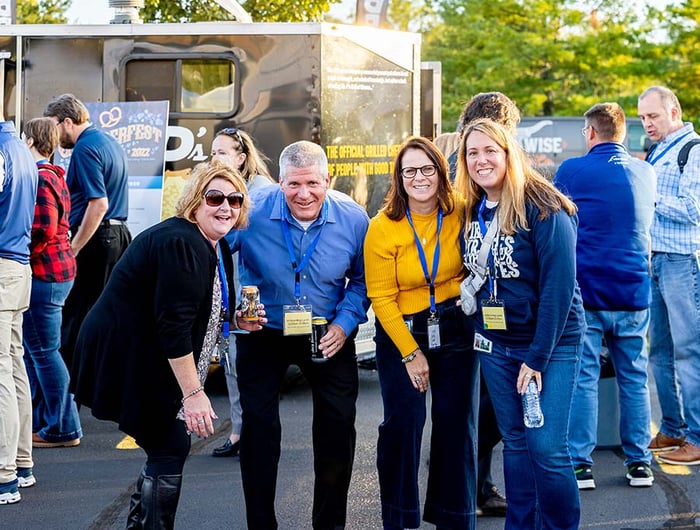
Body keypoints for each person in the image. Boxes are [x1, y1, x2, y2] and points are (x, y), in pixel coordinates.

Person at [70, 160, 264, 528]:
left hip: (145, 353)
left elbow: (192, 308)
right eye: (215, 197)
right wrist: (193, 395)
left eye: (235, 200)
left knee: (168, 444)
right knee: (169, 444)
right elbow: (173, 325)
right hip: (126, 354)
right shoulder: (183, 243)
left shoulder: (207, 242)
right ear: (194, 202)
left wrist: (235, 320)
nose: (226, 207)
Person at [226, 140, 370, 529]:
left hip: (327, 331)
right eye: (293, 185)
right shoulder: (249, 213)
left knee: (337, 429)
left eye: (312, 183)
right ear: (279, 181)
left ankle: (329, 525)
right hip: (264, 330)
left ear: (327, 179)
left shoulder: (354, 219)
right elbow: (216, 257)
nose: (303, 194)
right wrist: (232, 311)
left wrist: (344, 324)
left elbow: (361, 282)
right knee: (258, 429)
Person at [455, 118, 585, 529]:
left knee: (546, 448)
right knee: (514, 444)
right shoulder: (471, 209)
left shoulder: (544, 207)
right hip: (496, 345)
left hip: (550, 345)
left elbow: (559, 290)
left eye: (490, 150)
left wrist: (537, 357)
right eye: (472, 153)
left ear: (509, 153)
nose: (481, 160)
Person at [364, 136, 479, 529]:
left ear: (441, 173)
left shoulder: (462, 212)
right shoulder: (382, 228)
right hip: (401, 330)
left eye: (427, 168)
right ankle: (399, 519)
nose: (419, 177)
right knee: (404, 424)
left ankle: (455, 518)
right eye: (409, 170)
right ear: (399, 177)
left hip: (456, 326)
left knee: (456, 425)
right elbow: (380, 298)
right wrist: (412, 354)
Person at [554, 102, 656, 488]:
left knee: (583, 377)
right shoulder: (646, 171)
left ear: (591, 133)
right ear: (622, 133)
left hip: (589, 291)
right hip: (633, 291)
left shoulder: (572, 170)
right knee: (634, 378)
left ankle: (581, 465)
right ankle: (639, 463)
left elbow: (559, 222)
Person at [453, 91, 522, 517]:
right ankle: (473, 489)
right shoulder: (470, 175)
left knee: (477, 407)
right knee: (484, 408)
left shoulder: (460, 161)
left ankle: (473, 486)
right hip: (471, 309)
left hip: (468, 306)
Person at [43, 93, 131, 373]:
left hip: (98, 239)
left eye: (53, 125)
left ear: (67, 122)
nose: (52, 134)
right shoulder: (107, 142)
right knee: (98, 316)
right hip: (116, 236)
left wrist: (76, 246)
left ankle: (69, 401)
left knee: (75, 319)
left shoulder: (84, 148)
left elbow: (99, 203)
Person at [638, 86, 700, 465]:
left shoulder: (692, 150)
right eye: (643, 118)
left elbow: (694, 210)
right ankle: (673, 428)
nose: (647, 124)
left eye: (653, 116)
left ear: (673, 111)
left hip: (681, 263)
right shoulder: (659, 150)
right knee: (658, 351)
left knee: (689, 351)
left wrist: (649, 192)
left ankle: (696, 436)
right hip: (656, 261)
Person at [209, 127, 274, 458]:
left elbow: (236, 239)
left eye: (222, 152)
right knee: (234, 365)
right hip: (233, 291)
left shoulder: (259, 192)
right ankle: (239, 431)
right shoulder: (225, 188)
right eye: (213, 152)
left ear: (241, 157)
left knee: (247, 366)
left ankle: (248, 433)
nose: (215, 158)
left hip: (256, 296)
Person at [21, 118, 82, 449]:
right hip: (58, 271)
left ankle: (62, 428)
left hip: (44, 273)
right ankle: (45, 422)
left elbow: (41, 229)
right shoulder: (54, 175)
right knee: (38, 352)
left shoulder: (41, 179)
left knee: (44, 352)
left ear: (31, 141)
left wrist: (22, 255)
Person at [0, 106, 39, 504]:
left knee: (2, 372)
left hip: (1, 266)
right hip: (19, 265)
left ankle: (4, 474)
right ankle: (21, 464)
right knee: (13, 367)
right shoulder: (20, 148)